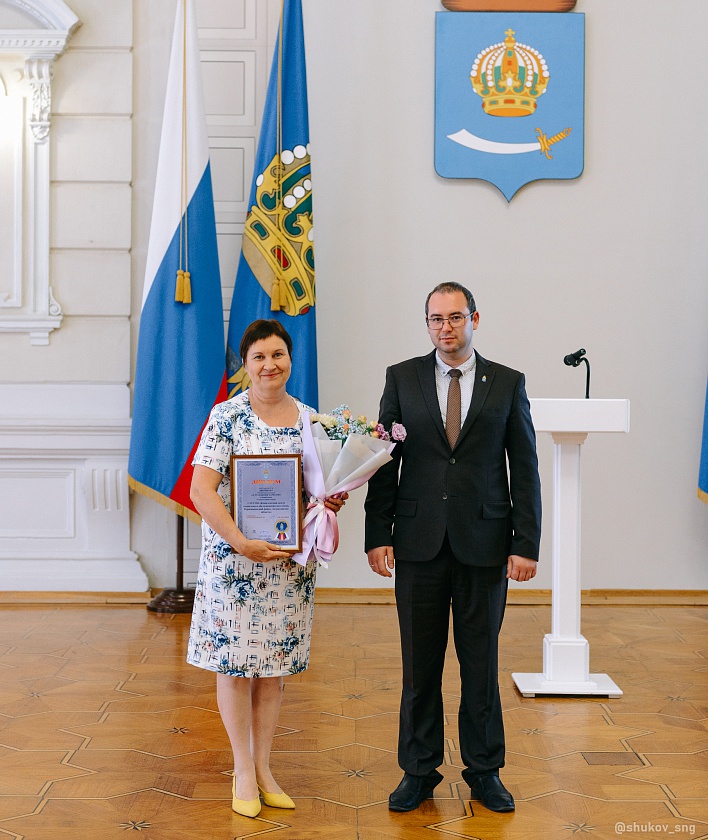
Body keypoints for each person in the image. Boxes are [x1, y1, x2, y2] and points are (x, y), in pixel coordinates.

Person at [364, 282, 541, 814]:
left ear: (474, 319)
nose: (446, 327)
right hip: (417, 543)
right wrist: (377, 533)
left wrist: (525, 543)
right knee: (419, 667)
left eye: (455, 317)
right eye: (436, 319)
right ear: (427, 324)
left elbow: (524, 467)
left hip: (485, 544)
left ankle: (485, 771)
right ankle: (418, 771)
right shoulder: (402, 378)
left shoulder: (507, 382)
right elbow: (383, 460)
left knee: (480, 666)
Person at [187, 319, 346, 819]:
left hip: (286, 566)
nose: (269, 365)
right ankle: (241, 769)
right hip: (235, 564)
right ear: (246, 364)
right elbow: (200, 489)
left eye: (278, 354)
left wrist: (329, 501)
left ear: (290, 360)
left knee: (273, 671)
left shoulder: (312, 422)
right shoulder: (227, 416)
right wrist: (240, 542)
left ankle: (264, 768)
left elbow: (317, 490)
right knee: (235, 668)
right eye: (259, 357)